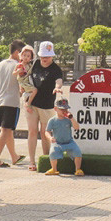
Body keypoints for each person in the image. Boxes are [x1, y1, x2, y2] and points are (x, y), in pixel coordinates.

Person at [26, 41, 65, 170]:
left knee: (45, 133)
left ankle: (47, 159)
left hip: (47, 106)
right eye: (42, 56)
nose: (44, 59)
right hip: (32, 104)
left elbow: (58, 80)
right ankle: (32, 161)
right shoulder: (35, 64)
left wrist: (57, 88)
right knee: (32, 131)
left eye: (47, 56)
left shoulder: (55, 69)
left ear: (52, 56)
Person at [0, 40, 27, 169]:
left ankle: (14, 156)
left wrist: (4, 88)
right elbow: (23, 84)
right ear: (17, 52)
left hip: (0, 101)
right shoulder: (18, 66)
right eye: (22, 53)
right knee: (5, 130)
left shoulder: (0, 65)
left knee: (8, 129)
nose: (24, 57)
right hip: (12, 102)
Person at [44, 98, 84, 176]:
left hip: (69, 141)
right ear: (56, 109)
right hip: (57, 142)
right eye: (62, 109)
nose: (64, 111)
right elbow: (47, 131)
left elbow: (76, 127)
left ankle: (78, 169)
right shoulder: (52, 120)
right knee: (53, 152)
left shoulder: (68, 120)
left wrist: (71, 118)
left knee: (77, 152)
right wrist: (50, 138)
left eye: (66, 109)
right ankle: (54, 169)